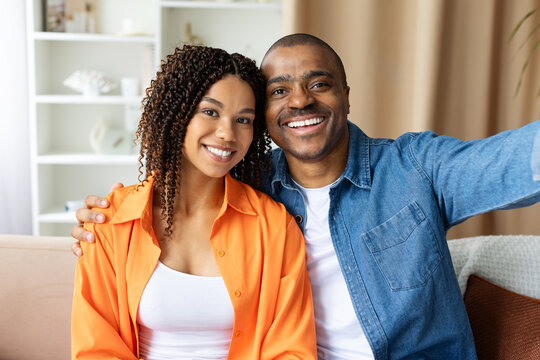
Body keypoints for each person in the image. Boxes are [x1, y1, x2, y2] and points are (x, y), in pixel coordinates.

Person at [72, 34, 540, 359]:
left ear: (347, 96)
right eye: (280, 90)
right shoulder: (251, 188)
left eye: (318, 84)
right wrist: (109, 215)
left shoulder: (413, 168)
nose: (300, 101)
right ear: (268, 115)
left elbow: (509, 163)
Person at [70, 45, 316, 359]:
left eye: (243, 120)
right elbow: (96, 348)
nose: (228, 133)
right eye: (210, 112)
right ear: (177, 113)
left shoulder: (274, 226)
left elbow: (291, 349)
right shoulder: (112, 218)